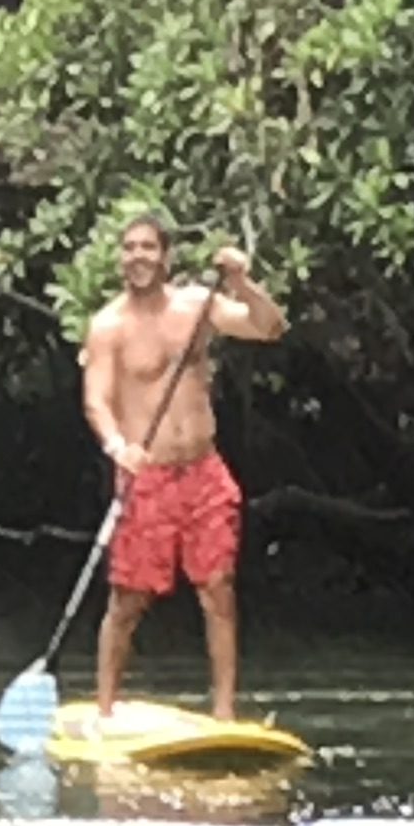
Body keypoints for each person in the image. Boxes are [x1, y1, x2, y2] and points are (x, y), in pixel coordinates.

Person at [83, 213, 284, 720]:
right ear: (120, 259)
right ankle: (104, 710)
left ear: (166, 256)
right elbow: (97, 401)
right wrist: (116, 446)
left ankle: (223, 712)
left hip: (203, 469)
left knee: (218, 589)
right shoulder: (109, 326)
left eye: (148, 247)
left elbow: (269, 327)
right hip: (145, 473)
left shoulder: (197, 305)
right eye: (129, 248)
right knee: (128, 601)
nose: (138, 257)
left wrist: (241, 282)